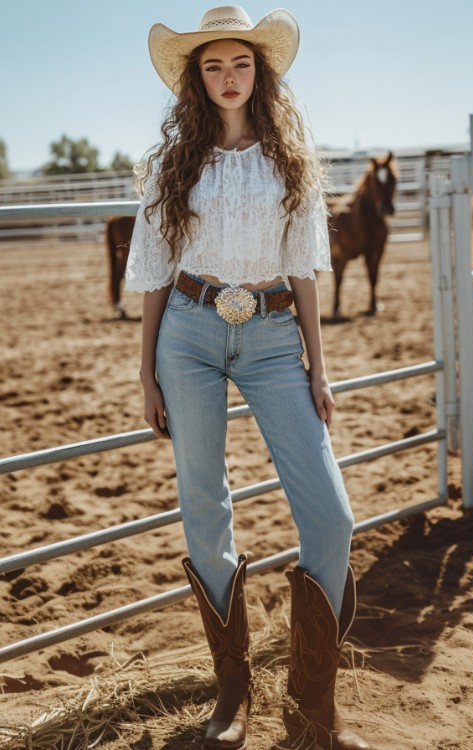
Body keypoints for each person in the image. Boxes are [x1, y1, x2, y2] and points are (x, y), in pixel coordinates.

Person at [125, 6, 370, 750]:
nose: (228, 77)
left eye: (240, 64)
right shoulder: (174, 164)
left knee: (331, 516)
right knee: (204, 500)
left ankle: (311, 710)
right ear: (197, 80)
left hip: (270, 340)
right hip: (188, 335)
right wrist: (146, 373)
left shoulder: (293, 158)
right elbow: (156, 270)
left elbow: (302, 268)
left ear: (259, 72)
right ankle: (234, 690)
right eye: (212, 66)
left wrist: (317, 369)